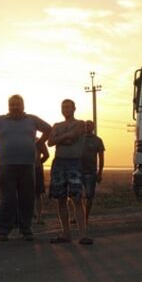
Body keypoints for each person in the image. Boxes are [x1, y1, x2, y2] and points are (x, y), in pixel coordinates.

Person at [0, 95, 51, 242]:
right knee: (7, 199)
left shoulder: (32, 119)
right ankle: (4, 230)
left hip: (27, 165)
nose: (15, 107)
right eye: (12, 104)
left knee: (27, 198)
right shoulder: (0, 120)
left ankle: (26, 229)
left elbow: (48, 129)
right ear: (8, 106)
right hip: (6, 165)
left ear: (23, 105)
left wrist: (38, 144)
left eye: (18, 104)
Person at [48, 99, 93, 245]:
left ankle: (82, 235)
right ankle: (66, 234)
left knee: (77, 199)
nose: (65, 109)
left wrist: (60, 138)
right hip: (59, 163)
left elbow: (72, 137)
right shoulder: (56, 125)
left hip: (74, 163)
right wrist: (65, 137)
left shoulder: (81, 124)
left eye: (68, 107)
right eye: (63, 107)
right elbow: (50, 142)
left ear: (74, 108)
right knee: (61, 199)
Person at [81, 120, 105, 225]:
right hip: (77, 171)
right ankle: (77, 216)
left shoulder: (97, 140)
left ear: (93, 127)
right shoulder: (79, 139)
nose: (87, 127)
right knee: (76, 195)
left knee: (89, 196)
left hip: (91, 172)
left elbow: (101, 157)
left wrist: (100, 173)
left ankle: (85, 217)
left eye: (89, 125)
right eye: (86, 125)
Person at [34, 138, 49, 225]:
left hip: (36, 169)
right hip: (26, 168)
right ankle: (36, 216)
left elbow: (46, 155)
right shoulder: (22, 138)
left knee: (37, 194)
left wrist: (39, 162)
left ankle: (39, 216)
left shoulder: (39, 141)